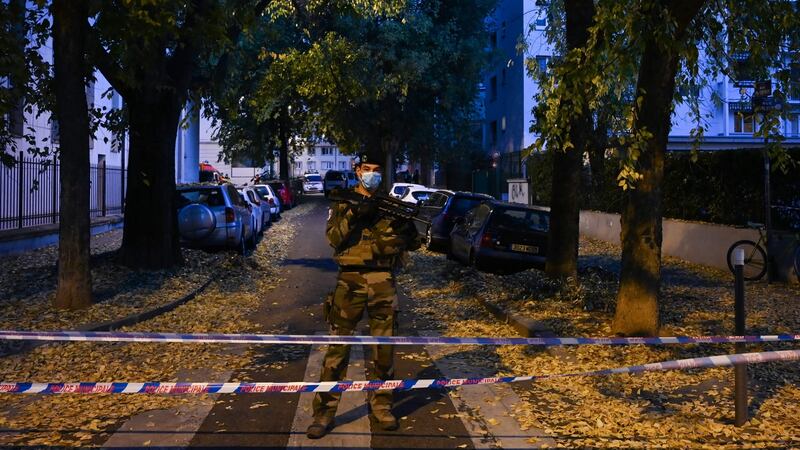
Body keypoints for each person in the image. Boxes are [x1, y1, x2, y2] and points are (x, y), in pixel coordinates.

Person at [307, 153, 421, 439]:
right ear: (357, 171)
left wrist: (407, 228)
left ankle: (382, 407)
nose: (372, 174)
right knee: (338, 350)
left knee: (384, 350)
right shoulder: (344, 202)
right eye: (367, 169)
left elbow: (414, 243)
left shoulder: (390, 205)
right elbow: (333, 239)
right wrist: (356, 214)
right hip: (350, 280)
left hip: (383, 280)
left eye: (377, 170)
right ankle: (323, 413)